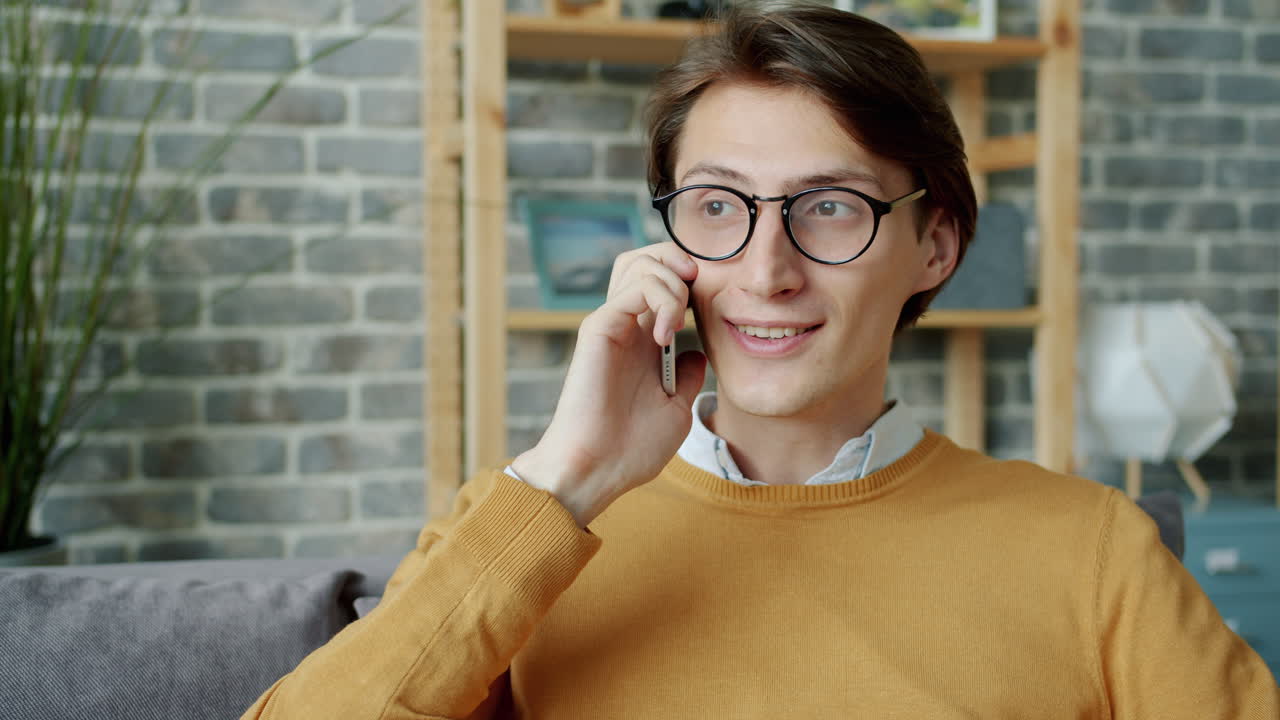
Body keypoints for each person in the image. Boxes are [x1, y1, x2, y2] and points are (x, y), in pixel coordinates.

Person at [242, 4, 1280, 717]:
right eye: (717, 208)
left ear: (936, 245)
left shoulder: (1092, 550)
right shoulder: (522, 531)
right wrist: (567, 477)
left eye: (828, 207)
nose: (764, 269)